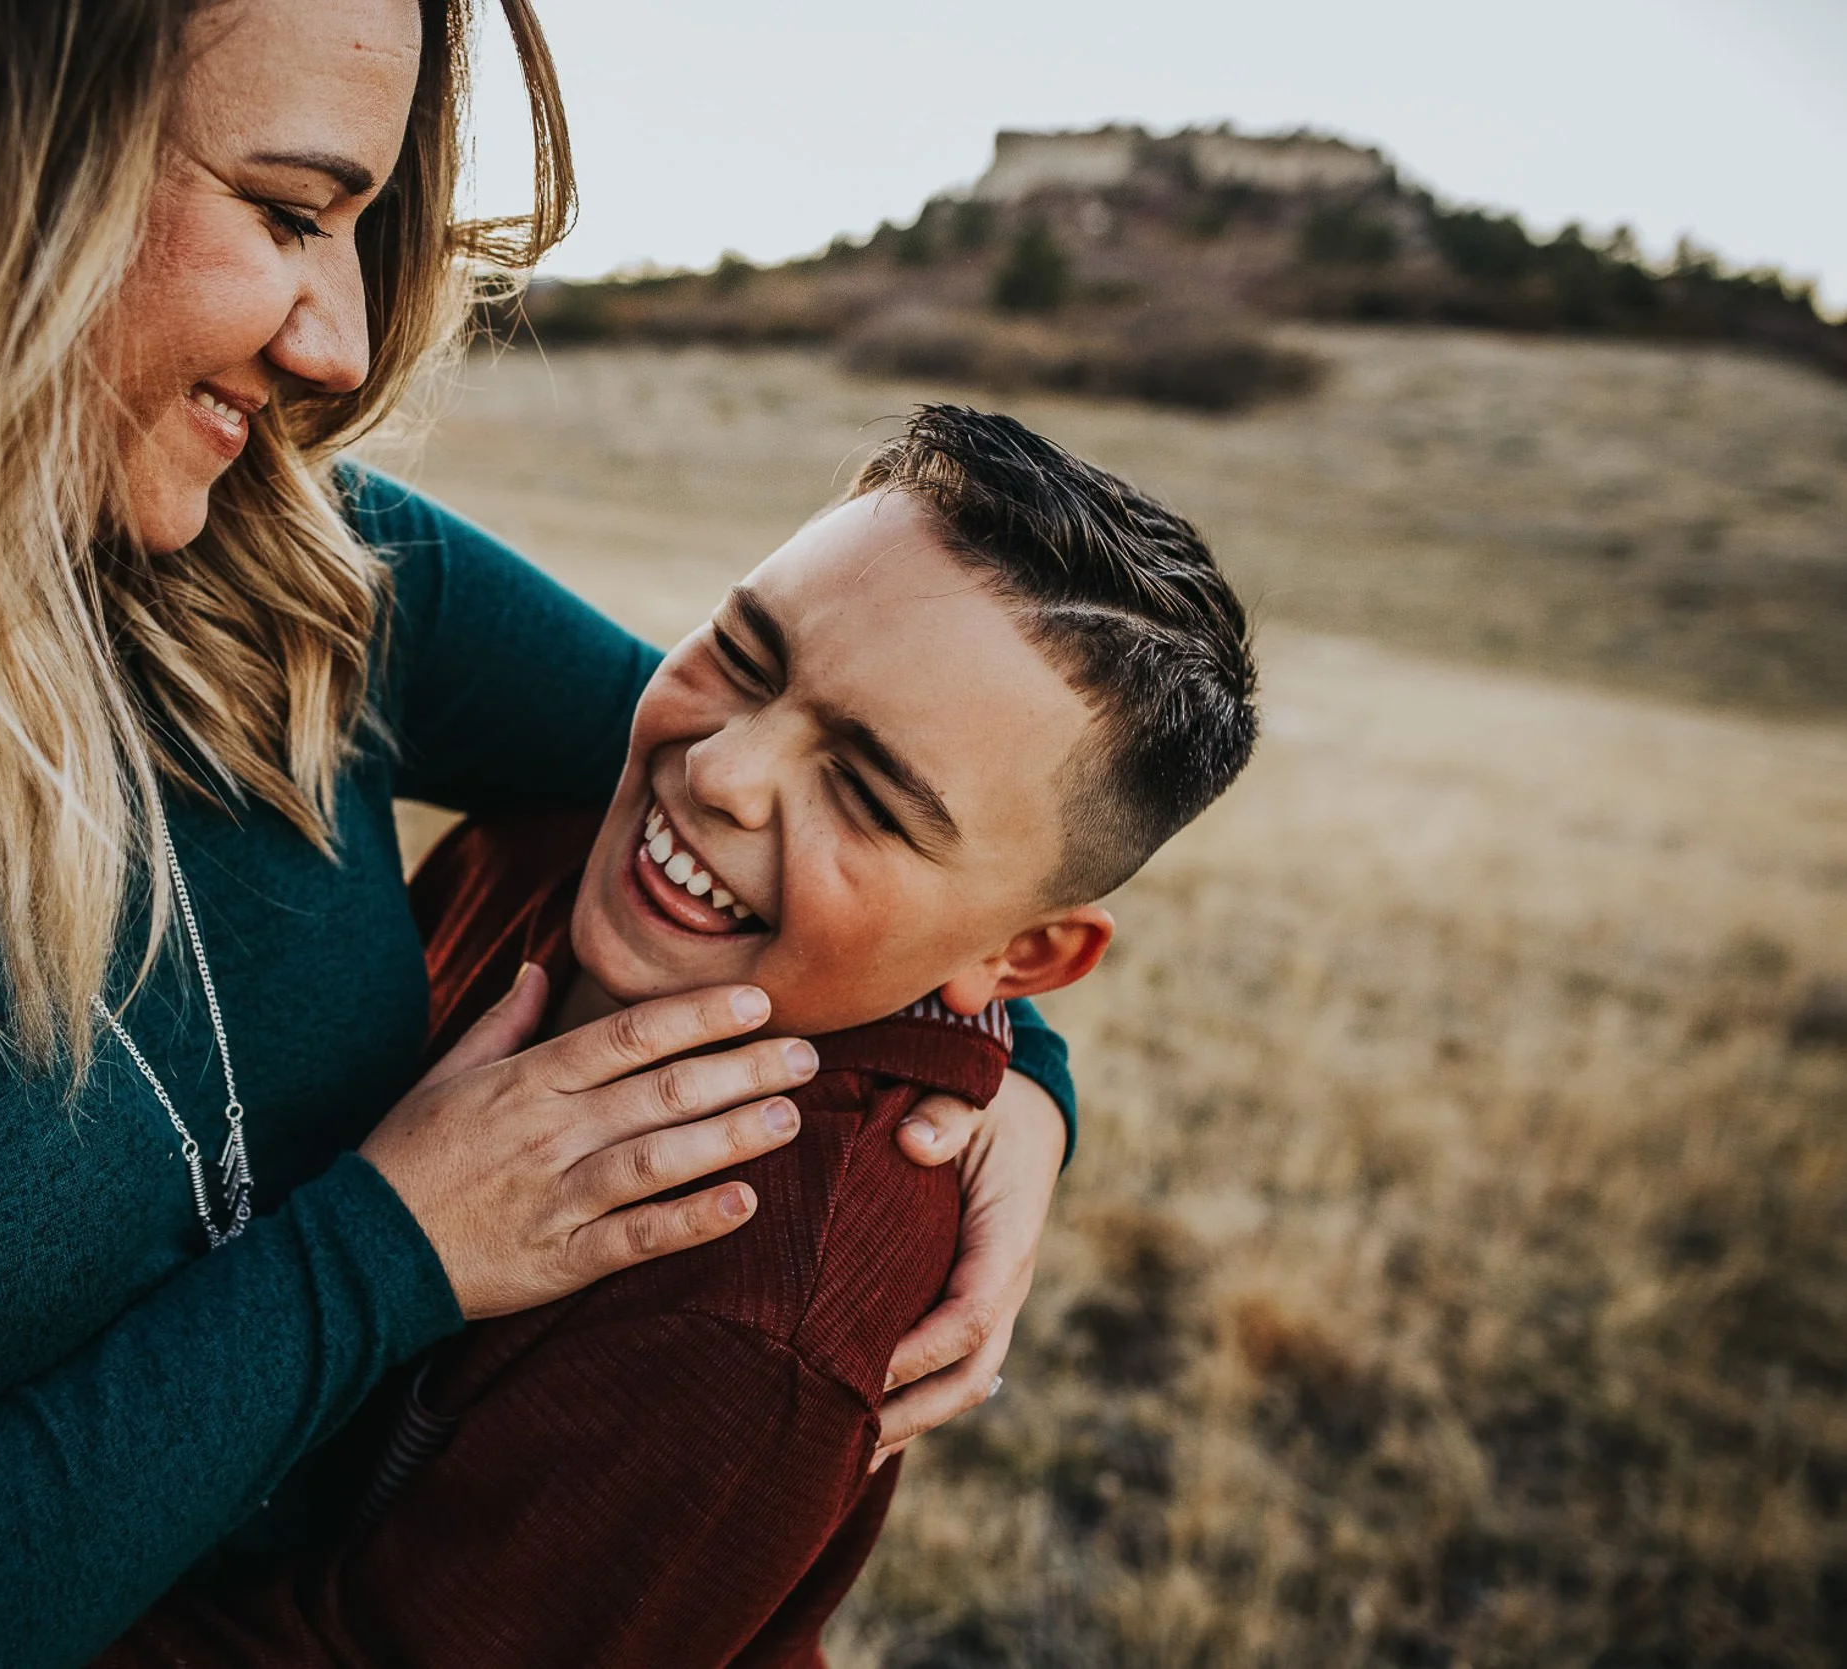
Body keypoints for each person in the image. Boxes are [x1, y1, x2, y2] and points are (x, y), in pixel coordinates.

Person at [0, 4, 1077, 1667]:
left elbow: (804, 798)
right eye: (286, 212)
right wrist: (390, 1246)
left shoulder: (310, 571)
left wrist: (1007, 1067)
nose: (336, 344)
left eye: (364, 228)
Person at [101, 407, 1258, 1668]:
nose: (722, 771)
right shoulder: (551, 856)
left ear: (1019, 960)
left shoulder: (757, 1312)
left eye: (866, 795)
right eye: (747, 658)